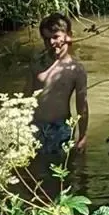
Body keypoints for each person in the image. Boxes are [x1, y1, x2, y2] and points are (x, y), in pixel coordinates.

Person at [31, 13, 89, 161]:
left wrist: (82, 136)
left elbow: (82, 106)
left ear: (68, 36)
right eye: (46, 38)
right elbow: (26, 94)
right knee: (34, 168)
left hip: (61, 128)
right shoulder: (37, 63)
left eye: (56, 36)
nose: (51, 42)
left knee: (61, 170)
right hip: (35, 125)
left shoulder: (76, 70)